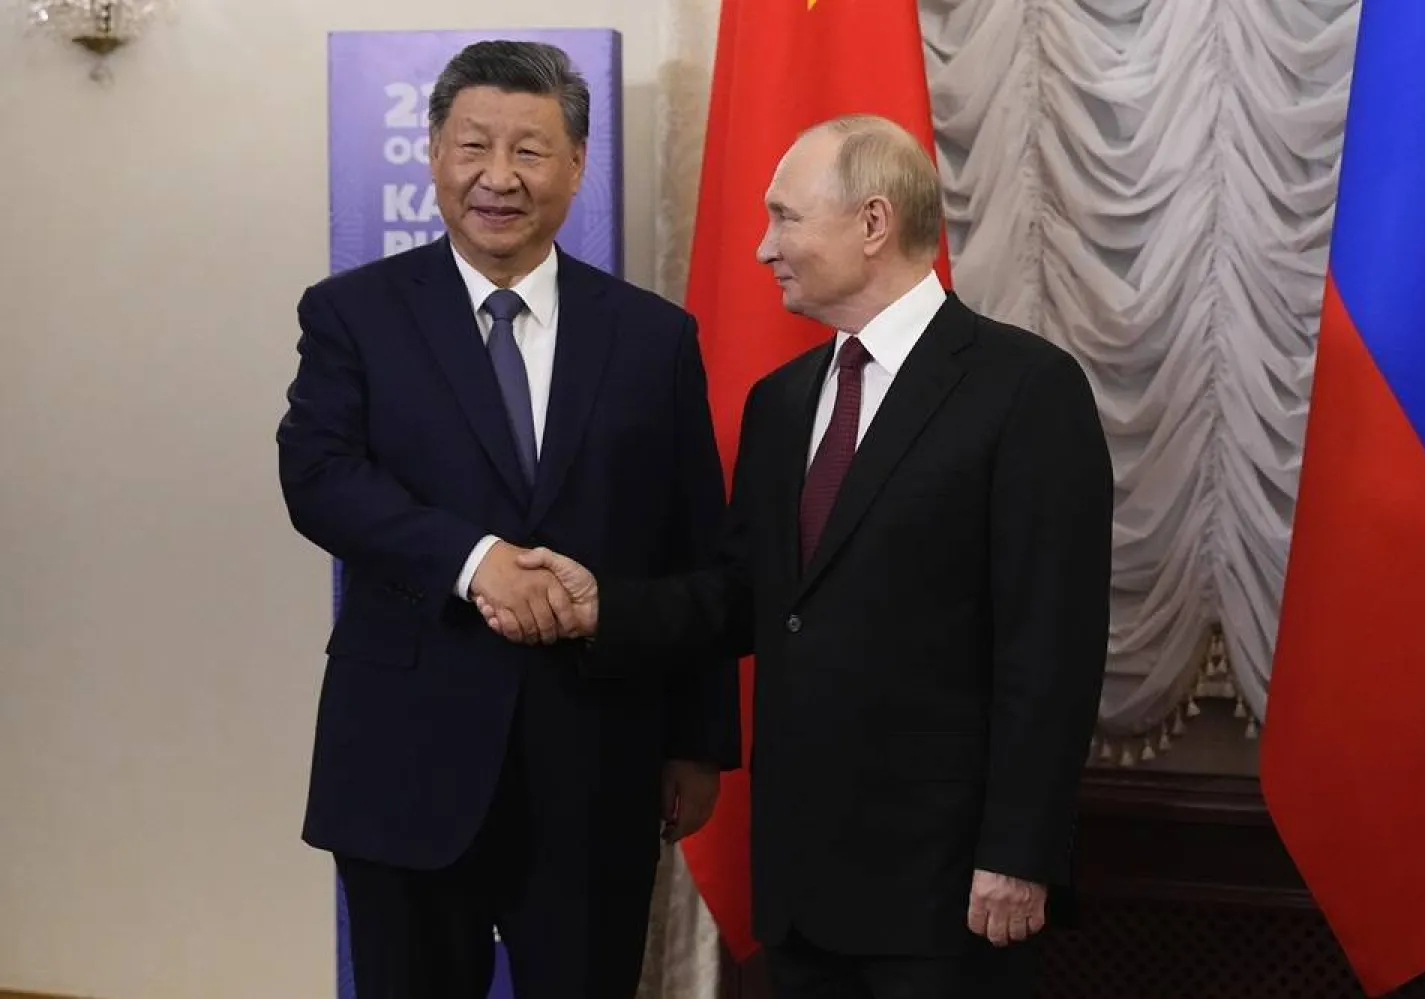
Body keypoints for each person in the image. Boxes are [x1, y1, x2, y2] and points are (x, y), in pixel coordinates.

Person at [480, 115, 1114, 999]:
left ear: (873, 222)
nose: (762, 248)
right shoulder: (782, 402)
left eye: (784, 217)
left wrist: (1019, 853)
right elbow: (747, 597)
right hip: (802, 890)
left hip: (951, 888)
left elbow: (1051, 647)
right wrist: (603, 607)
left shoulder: (1025, 390)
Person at [275, 40, 738, 999]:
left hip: (598, 759)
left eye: (530, 150)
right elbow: (319, 476)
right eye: (473, 146)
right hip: (406, 758)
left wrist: (697, 741)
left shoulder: (653, 337)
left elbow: (694, 543)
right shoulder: (354, 313)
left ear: (576, 164)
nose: (499, 177)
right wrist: (473, 558)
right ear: (433, 153)